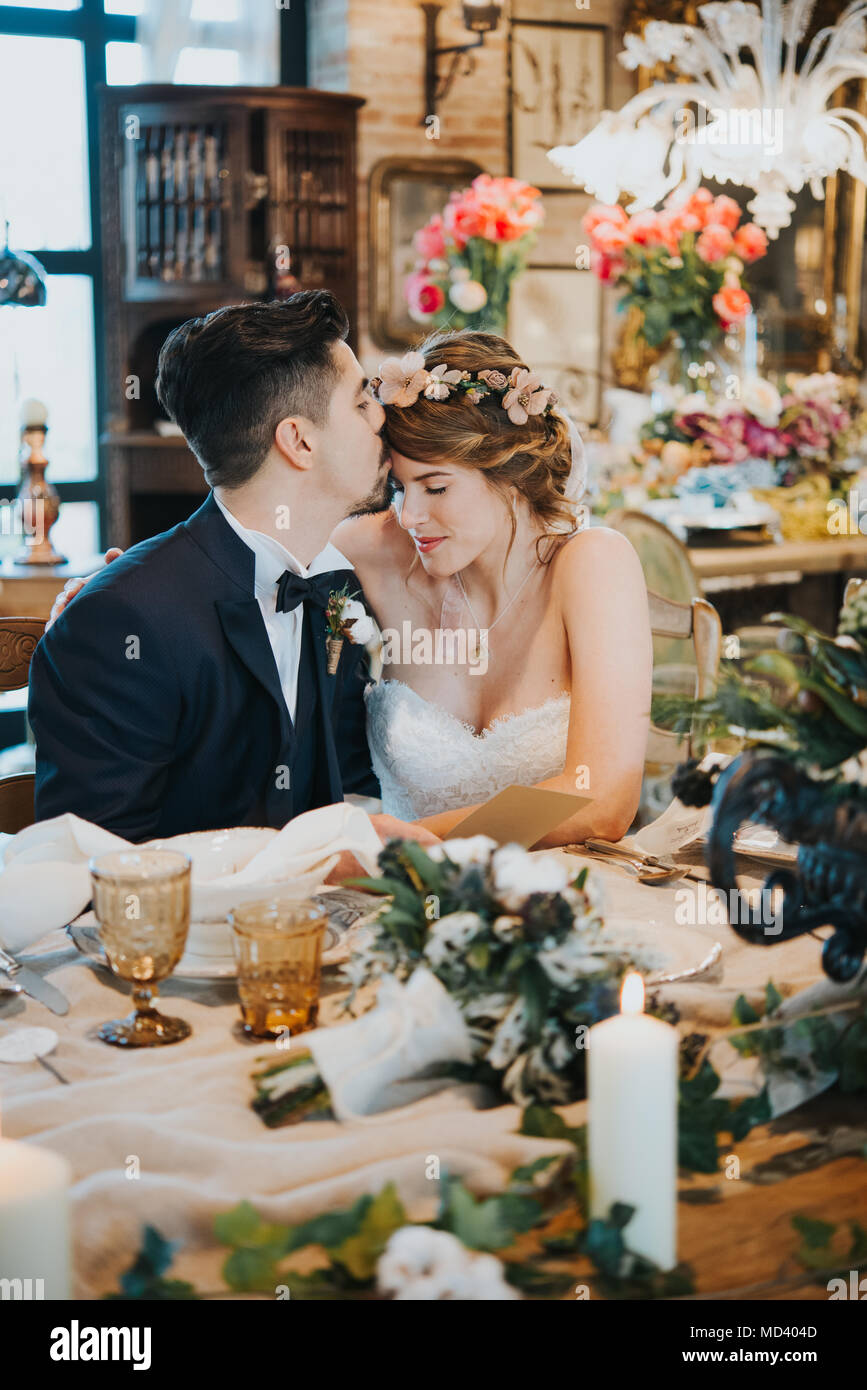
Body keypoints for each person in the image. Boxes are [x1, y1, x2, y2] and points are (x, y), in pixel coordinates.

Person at [46, 318, 653, 848]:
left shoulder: (592, 562)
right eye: (399, 486)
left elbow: (600, 797)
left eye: (436, 487)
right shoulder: (383, 548)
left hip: (539, 888)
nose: (411, 514)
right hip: (395, 910)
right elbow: (235, 557)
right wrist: (115, 585)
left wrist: (406, 844)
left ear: (512, 475)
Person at [29, 290, 433, 849]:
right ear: (298, 440)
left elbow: (349, 772)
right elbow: (99, 871)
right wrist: (299, 859)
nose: (382, 418)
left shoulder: (331, 583)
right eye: (362, 405)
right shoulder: (119, 621)